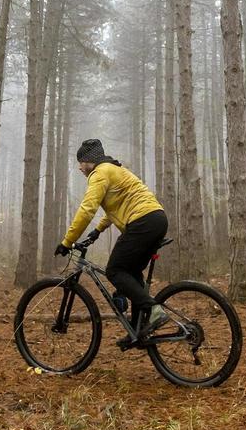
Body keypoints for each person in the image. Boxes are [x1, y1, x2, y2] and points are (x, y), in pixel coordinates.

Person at [55, 138, 169, 338]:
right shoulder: (114, 169)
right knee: (131, 273)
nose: (80, 168)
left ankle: (153, 311)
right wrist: (97, 231)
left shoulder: (99, 173)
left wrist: (67, 241)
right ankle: (139, 328)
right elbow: (117, 205)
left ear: (88, 161)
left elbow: (87, 209)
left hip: (142, 221)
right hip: (156, 219)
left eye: (80, 163)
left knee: (115, 271)